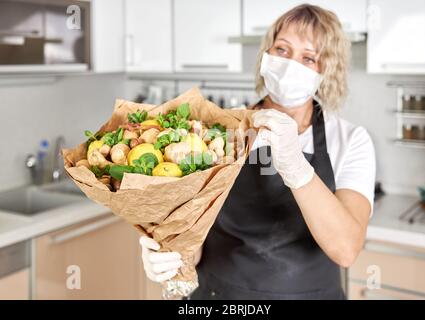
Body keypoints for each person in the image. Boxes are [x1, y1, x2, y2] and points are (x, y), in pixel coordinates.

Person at [140, 4, 376, 300]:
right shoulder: (217, 133)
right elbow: (194, 245)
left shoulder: (350, 140)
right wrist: (169, 255)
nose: (292, 64)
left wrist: (297, 168)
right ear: (266, 56)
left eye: (309, 58)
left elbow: (346, 249)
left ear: (326, 70)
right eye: (282, 49)